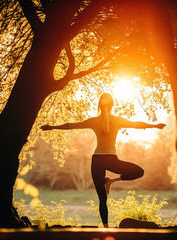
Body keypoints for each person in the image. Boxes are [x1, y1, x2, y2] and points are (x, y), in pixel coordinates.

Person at [41, 93, 166, 227]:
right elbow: (136, 124)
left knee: (102, 198)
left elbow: (71, 125)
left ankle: (106, 226)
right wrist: (154, 125)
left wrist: (52, 127)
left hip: (97, 161)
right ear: (112, 105)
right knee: (139, 172)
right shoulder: (117, 120)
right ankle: (112, 181)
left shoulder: (94, 121)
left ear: (99, 106)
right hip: (112, 160)